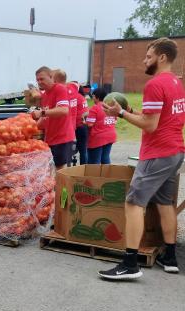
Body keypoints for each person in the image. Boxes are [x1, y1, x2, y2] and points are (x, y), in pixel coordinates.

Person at [99, 38, 185, 280]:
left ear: (162, 58)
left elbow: (150, 125)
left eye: (148, 57)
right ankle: (169, 257)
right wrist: (131, 112)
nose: (144, 60)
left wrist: (122, 113)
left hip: (157, 154)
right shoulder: (176, 83)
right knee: (164, 203)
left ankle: (130, 263)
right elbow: (157, 117)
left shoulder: (155, 84)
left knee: (133, 203)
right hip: (175, 151)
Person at [31, 66, 75, 169]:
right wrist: (31, 128)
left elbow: (63, 110)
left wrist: (41, 113)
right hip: (51, 139)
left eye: (42, 79)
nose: (39, 82)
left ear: (51, 77)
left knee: (60, 171)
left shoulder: (60, 89)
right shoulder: (45, 95)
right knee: (51, 170)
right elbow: (45, 118)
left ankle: (63, 186)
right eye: (37, 80)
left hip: (62, 138)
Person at [86, 88, 117, 164]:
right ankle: (106, 175)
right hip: (110, 136)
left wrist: (84, 121)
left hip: (98, 138)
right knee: (105, 158)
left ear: (97, 97)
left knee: (94, 161)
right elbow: (115, 121)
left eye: (93, 96)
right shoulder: (110, 107)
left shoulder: (95, 108)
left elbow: (90, 124)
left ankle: (93, 176)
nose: (92, 98)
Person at [75, 84, 89, 164]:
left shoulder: (76, 97)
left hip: (78, 125)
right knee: (83, 150)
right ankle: (84, 168)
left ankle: (82, 168)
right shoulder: (82, 97)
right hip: (84, 125)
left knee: (82, 151)